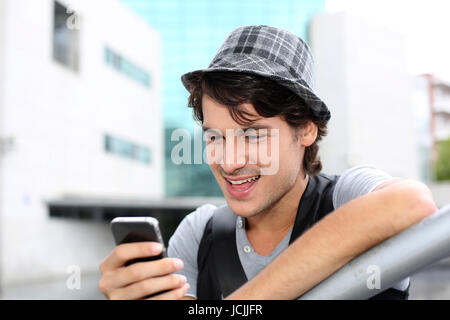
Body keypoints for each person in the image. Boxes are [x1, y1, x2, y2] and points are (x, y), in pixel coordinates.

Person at [98, 25, 437, 300]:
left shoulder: (346, 198)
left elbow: (411, 203)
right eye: (215, 137)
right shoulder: (198, 233)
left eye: (253, 135)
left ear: (305, 129)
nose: (229, 162)